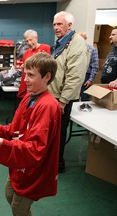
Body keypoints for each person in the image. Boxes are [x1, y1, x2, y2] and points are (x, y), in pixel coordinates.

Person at [0, 52, 61, 216]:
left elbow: (36, 149)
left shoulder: (48, 105)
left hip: (33, 169)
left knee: (19, 208)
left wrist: (1, 143)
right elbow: (13, 129)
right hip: (20, 165)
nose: (25, 79)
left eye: (31, 75)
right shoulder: (29, 97)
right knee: (9, 194)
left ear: (46, 77)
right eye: (24, 74)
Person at [49, 11, 90, 172]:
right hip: (54, 95)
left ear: (70, 25)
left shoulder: (77, 43)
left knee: (58, 132)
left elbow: (75, 76)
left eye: (60, 24)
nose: (56, 28)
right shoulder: (62, 42)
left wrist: (63, 101)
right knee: (53, 131)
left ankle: (57, 164)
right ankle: (52, 160)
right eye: (54, 24)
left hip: (62, 98)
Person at [17, 29, 51, 99]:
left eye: (31, 40)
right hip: (29, 86)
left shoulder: (45, 48)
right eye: (27, 41)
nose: (29, 43)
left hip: (41, 85)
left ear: (36, 38)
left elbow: (49, 67)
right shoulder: (26, 53)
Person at [78, 32, 99, 101]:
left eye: (81, 38)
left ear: (85, 39)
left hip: (86, 76)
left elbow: (95, 66)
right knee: (74, 96)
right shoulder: (74, 49)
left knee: (84, 97)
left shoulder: (92, 50)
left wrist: (90, 79)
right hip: (76, 74)